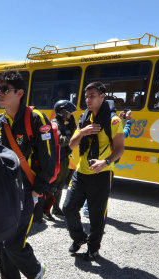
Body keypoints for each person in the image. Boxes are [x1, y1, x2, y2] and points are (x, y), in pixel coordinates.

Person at [0, 70, 55, 279]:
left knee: (13, 242)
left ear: (20, 93)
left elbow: (48, 158)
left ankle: (35, 269)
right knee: (1, 240)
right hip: (2, 194)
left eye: (5, 89)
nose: (0, 93)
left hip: (27, 191)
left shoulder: (36, 119)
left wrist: (38, 191)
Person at [62, 82, 125, 260]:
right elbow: (72, 144)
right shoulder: (84, 118)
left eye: (92, 96)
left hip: (101, 174)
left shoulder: (114, 121)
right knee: (68, 208)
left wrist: (105, 162)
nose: (88, 100)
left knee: (97, 216)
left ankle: (93, 247)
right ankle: (79, 237)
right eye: (86, 96)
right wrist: (82, 132)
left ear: (102, 97)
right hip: (81, 172)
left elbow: (120, 149)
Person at [82, 109, 131, 219]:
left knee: (91, 185)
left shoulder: (100, 127)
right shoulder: (115, 133)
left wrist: (121, 120)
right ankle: (87, 209)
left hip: (94, 160)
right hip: (105, 164)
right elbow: (125, 133)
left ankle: (87, 209)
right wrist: (128, 122)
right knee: (98, 188)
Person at [45, 99, 77, 218]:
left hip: (63, 159)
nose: (70, 115)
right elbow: (60, 140)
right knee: (52, 186)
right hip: (56, 160)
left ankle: (56, 208)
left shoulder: (64, 124)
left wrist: (73, 126)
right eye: (69, 113)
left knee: (60, 185)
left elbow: (69, 136)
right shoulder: (54, 124)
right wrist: (72, 137)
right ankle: (46, 210)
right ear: (62, 112)